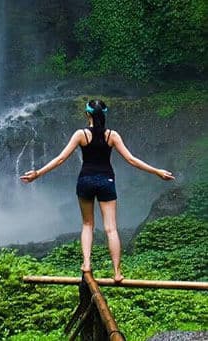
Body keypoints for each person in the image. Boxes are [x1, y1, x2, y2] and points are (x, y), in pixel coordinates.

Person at [19, 99, 174, 282]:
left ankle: (86, 263)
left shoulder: (81, 134)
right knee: (111, 229)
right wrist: (156, 171)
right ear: (104, 114)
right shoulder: (112, 136)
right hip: (106, 181)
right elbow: (131, 160)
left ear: (87, 114)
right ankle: (117, 272)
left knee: (87, 225)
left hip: (85, 180)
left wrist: (38, 173)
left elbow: (61, 159)